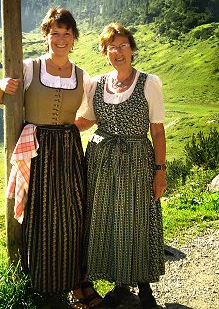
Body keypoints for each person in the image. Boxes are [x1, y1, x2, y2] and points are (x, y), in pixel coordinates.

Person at [0, 7, 96, 308]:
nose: (60, 39)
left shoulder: (82, 76)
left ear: (73, 38)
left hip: (69, 149)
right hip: (37, 152)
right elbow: (0, 95)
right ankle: (45, 286)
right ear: (45, 36)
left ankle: (77, 282)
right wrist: (0, 87)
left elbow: (92, 112)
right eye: (54, 33)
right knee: (40, 217)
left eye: (66, 33)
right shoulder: (30, 68)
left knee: (74, 214)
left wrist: (72, 128)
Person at [75, 23, 167, 309]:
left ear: (132, 48)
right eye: (111, 47)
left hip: (137, 160)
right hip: (101, 162)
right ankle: (120, 284)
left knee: (137, 220)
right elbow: (88, 121)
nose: (118, 52)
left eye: (123, 45)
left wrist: (160, 171)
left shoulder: (148, 82)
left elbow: (158, 131)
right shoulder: (98, 84)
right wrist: (53, 125)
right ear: (104, 52)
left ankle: (145, 288)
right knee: (109, 221)